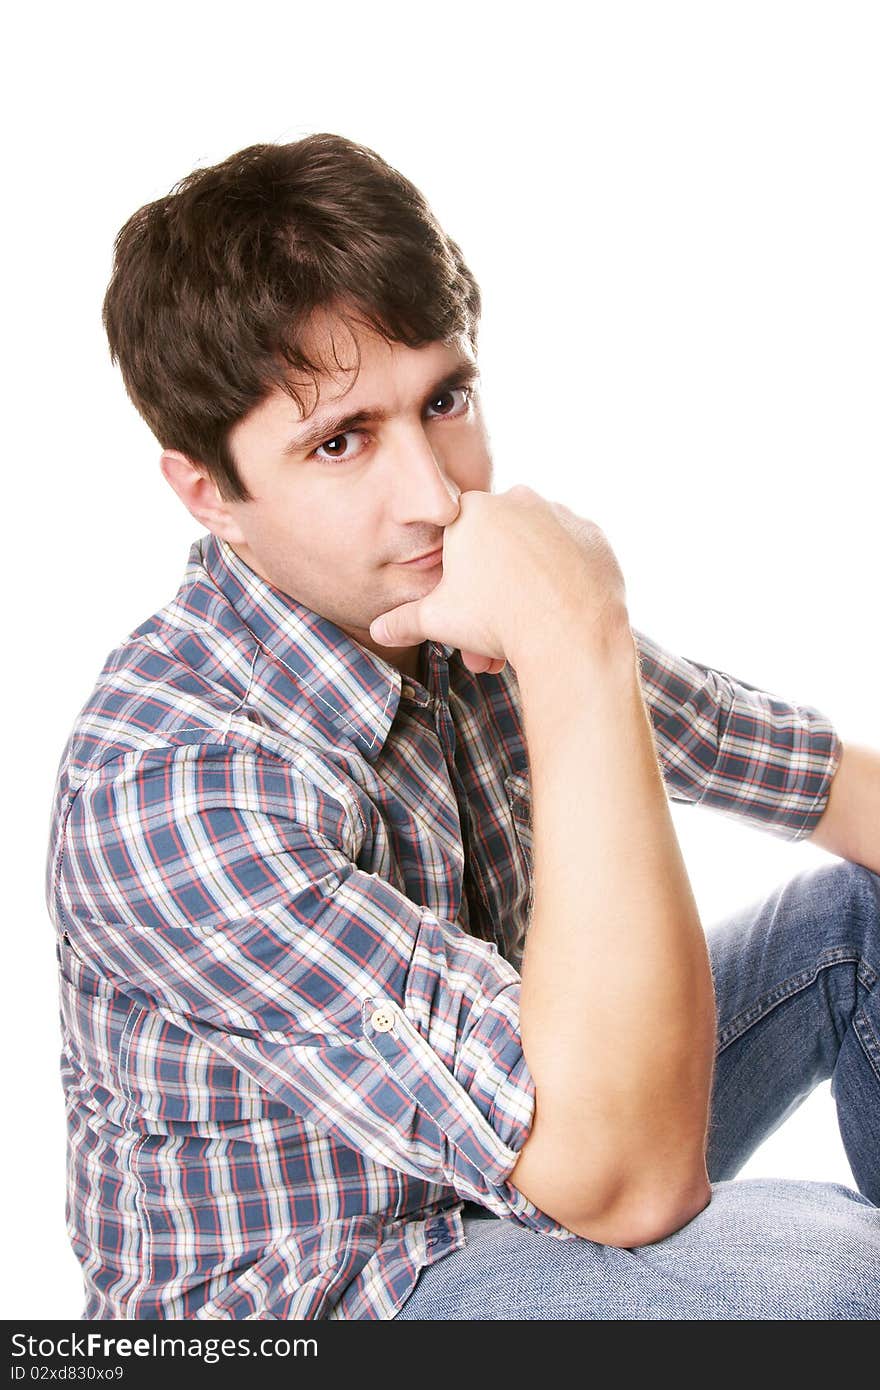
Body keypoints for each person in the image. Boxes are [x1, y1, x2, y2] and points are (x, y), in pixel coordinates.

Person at [45, 132, 880, 1321]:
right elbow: (632, 1184)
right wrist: (577, 635)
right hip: (333, 1297)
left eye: (444, 401)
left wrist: (569, 647)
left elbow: (835, 788)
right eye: (341, 441)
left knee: (863, 912)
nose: (436, 497)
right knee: (844, 1292)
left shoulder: (449, 598)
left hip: (526, 1156)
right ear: (208, 492)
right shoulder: (173, 787)